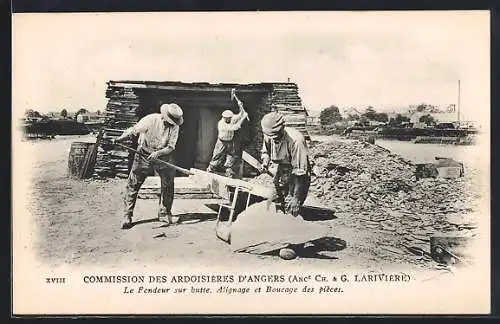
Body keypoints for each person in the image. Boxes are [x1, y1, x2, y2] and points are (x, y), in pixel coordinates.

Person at [113, 103, 184, 230]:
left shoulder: (175, 126)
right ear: (164, 117)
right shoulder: (151, 120)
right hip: (143, 154)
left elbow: (171, 147)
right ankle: (127, 216)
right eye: (169, 122)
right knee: (133, 183)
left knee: (168, 184)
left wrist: (158, 153)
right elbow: (133, 131)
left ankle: (164, 213)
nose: (171, 124)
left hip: (162, 156)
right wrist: (119, 139)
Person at [259, 111, 311, 217]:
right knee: (272, 203)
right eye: (270, 136)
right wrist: (265, 162)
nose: (273, 139)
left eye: (276, 135)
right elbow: (266, 152)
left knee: (291, 208)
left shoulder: (296, 140)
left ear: (282, 128)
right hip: (280, 170)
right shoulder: (269, 134)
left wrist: (296, 198)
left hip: (297, 176)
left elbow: (300, 173)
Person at [206, 89, 248, 178]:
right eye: (228, 118)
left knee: (231, 156)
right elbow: (235, 127)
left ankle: (229, 172)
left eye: (230, 118)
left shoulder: (231, 119)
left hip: (230, 141)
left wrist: (241, 107)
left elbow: (239, 116)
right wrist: (243, 118)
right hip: (221, 141)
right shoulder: (221, 124)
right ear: (225, 118)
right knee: (217, 156)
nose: (230, 119)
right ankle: (210, 170)